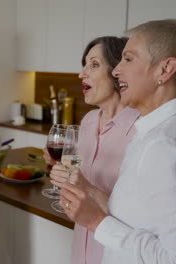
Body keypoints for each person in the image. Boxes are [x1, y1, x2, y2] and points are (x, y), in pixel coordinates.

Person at [54, 19, 176, 263]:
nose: (116, 70)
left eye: (128, 59)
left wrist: (96, 222)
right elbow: (136, 215)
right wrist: (88, 193)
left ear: (165, 70)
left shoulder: (167, 146)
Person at [44, 36, 140, 264]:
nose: (81, 74)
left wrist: (83, 185)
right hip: (80, 247)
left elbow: (142, 216)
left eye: (94, 65)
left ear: (118, 70)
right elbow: (78, 177)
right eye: (84, 64)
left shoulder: (141, 129)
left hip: (115, 253)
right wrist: (59, 171)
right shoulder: (87, 121)